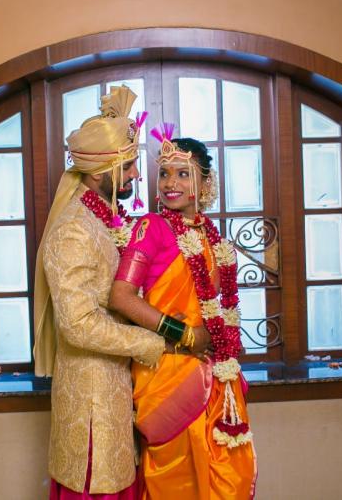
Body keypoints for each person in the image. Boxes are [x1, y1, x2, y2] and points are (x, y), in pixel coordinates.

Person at [34, 86, 210, 499]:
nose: (136, 176)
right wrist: (165, 341)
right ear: (99, 172)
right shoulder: (73, 230)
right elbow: (79, 325)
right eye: (128, 167)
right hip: (92, 402)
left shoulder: (103, 218)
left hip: (119, 390)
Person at [109, 124, 257, 499]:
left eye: (182, 174)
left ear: (205, 183)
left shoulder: (212, 237)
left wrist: (221, 343)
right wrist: (187, 335)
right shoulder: (151, 228)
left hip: (213, 372)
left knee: (227, 476)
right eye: (164, 173)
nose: (170, 183)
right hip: (169, 370)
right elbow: (122, 297)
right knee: (178, 482)